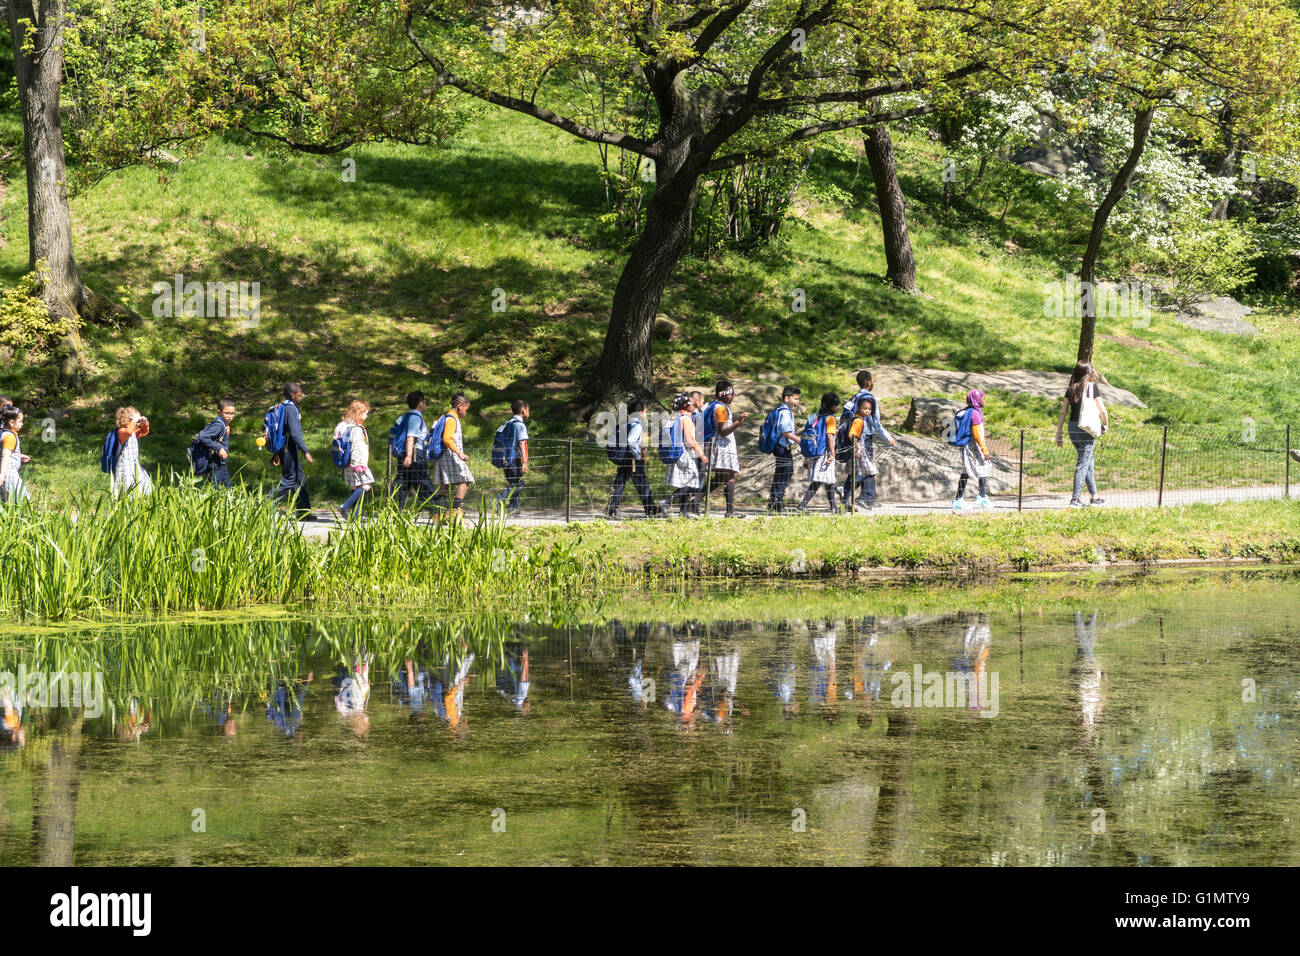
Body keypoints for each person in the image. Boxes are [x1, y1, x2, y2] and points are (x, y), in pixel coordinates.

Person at [1056, 360, 1109, 507]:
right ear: (1088, 372)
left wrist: (1058, 433)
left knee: (1087, 460)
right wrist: (1105, 424)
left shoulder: (1071, 389)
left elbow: (1063, 412)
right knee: (1083, 463)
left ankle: (1094, 496)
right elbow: (1102, 410)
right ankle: (1075, 499)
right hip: (1086, 428)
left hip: (1072, 428)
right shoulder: (1092, 387)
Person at [605, 398, 660, 519]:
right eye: (645, 411)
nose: (646, 414)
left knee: (620, 483)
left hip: (623, 457)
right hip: (633, 459)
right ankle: (651, 509)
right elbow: (631, 441)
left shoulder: (624, 424)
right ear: (639, 412)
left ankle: (610, 509)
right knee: (642, 483)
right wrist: (638, 455)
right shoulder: (637, 425)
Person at [269, 383, 314, 520]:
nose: (301, 397)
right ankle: (264, 504)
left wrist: (276, 453)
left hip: (286, 448)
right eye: (299, 394)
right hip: (288, 449)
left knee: (299, 478)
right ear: (292, 395)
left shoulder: (284, 407)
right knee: (289, 479)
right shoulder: (290, 409)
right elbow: (294, 433)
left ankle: (303, 512)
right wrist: (306, 451)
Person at [704, 380, 749, 518]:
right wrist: (739, 422)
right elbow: (723, 431)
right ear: (721, 394)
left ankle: (695, 500)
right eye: (730, 393)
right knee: (729, 478)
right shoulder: (721, 408)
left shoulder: (714, 405)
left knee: (719, 478)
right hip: (723, 446)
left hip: (719, 444)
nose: (732, 395)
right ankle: (730, 512)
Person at [432, 392, 475, 514]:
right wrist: (459, 453)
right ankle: (453, 512)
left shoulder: (444, 417)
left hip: (442, 456)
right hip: (451, 455)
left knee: (444, 485)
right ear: (460, 406)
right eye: (466, 409)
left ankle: (437, 514)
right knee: (465, 481)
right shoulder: (452, 420)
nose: (466, 412)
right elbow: (447, 438)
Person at [663, 392, 704, 517]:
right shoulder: (686, 419)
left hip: (674, 452)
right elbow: (690, 440)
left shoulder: (675, 417)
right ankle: (667, 502)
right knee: (693, 481)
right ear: (687, 405)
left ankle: (683, 512)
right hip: (684, 453)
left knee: (685, 482)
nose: (694, 406)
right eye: (691, 404)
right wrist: (701, 454)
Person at [797, 392, 839, 513]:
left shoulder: (813, 416)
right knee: (822, 479)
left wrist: (806, 456)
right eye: (836, 405)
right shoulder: (830, 418)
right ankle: (803, 505)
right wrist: (832, 453)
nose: (837, 408)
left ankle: (834, 507)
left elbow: (806, 435)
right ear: (830, 406)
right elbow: (830, 436)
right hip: (823, 452)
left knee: (827, 479)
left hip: (812, 451)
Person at [394, 390, 437, 509]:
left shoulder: (407, 416)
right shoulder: (415, 418)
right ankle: (436, 511)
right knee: (423, 483)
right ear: (420, 403)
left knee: (403, 483)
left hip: (407, 452)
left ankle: (394, 510)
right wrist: (409, 456)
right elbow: (410, 437)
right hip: (414, 454)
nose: (425, 404)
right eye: (424, 402)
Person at [334, 400, 374, 521]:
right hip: (357, 463)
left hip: (348, 462)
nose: (366, 416)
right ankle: (345, 506)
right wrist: (357, 464)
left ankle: (356, 516)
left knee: (356, 487)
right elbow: (356, 447)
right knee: (366, 486)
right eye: (365, 414)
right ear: (358, 414)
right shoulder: (356, 429)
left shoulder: (344, 426)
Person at [952, 389, 992, 511]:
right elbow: (976, 433)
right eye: (982, 398)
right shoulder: (974, 413)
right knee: (967, 470)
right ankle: (958, 499)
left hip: (973, 445)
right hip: (970, 445)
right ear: (976, 399)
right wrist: (984, 449)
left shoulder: (973, 411)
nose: (984, 400)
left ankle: (982, 496)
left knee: (982, 466)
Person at [840, 369, 897, 449]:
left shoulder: (854, 398)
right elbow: (875, 421)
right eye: (872, 381)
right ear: (869, 383)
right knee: (866, 461)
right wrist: (888, 437)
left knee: (853, 460)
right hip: (864, 437)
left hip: (851, 435)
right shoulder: (869, 400)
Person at [767, 386, 802, 513]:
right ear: (786, 398)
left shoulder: (782, 410)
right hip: (782, 447)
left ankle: (774, 502)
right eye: (795, 399)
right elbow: (786, 432)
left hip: (780, 447)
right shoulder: (785, 412)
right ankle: (777, 502)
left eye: (798, 399)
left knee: (781, 473)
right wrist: (801, 441)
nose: (797, 402)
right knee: (784, 473)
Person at [841, 395, 878, 511]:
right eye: (864, 408)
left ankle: (845, 501)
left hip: (859, 451)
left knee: (855, 474)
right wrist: (857, 447)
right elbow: (852, 435)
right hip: (859, 452)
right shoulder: (858, 421)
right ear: (858, 408)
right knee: (869, 471)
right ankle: (848, 492)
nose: (867, 411)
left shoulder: (859, 419)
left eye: (869, 409)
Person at [493, 399, 530, 514]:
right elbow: (522, 443)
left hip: (505, 458)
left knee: (514, 482)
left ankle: (514, 510)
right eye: (528, 410)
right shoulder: (520, 425)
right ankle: (500, 498)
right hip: (515, 458)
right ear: (523, 410)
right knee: (519, 484)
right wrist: (524, 462)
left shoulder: (507, 423)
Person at [111, 406, 153, 498]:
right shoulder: (122, 432)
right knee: (126, 489)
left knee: (142, 485)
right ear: (128, 420)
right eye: (136, 421)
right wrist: (135, 420)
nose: (137, 424)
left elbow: (144, 432)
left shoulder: (133, 432)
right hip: (124, 466)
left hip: (133, 464)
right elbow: (128, 432)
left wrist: (145, 423)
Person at [193, 399, 236, 488]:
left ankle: (231, 498)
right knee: (215, 484)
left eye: (232, 413)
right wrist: (219, 448)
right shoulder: (218, 425)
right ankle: (212, 499)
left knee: (228, 484)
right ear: (219, 412)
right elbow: (203, 437)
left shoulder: (223, 424)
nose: (230, 416)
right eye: (227, 413)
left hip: (220, 461)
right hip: (215, 460)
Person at [0, 406, 31, 505]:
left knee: (8, 502)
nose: (22, 424)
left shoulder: (5, 433)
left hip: (7, 473)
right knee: (24, 500)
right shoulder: (10, 437)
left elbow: (5, 452)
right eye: (20, 421)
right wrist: (2, 475)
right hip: (9, 473)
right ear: (12, 422)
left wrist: (19, 456)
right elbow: (5, 456)